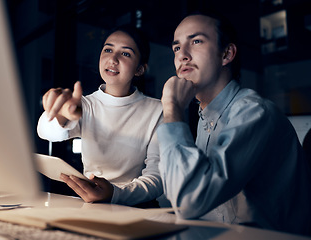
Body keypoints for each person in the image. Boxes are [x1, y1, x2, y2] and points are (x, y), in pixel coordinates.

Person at [157, 10, 311, 235]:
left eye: (196, 41)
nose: (182, 55)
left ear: (227, 54)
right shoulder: (205, 115)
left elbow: (188, 201)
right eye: (177, 48)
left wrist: (171, 107)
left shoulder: (254, 113)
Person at [37, 25, 163, 207]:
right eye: (108, 49)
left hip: (137, 207)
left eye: (125, 53)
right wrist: (62, 115)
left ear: (140, 69)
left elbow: (157, 178)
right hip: (91, 204)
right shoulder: (84, 104)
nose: (113, 58)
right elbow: (46, 133)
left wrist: (115, 194)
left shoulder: (157, 110)